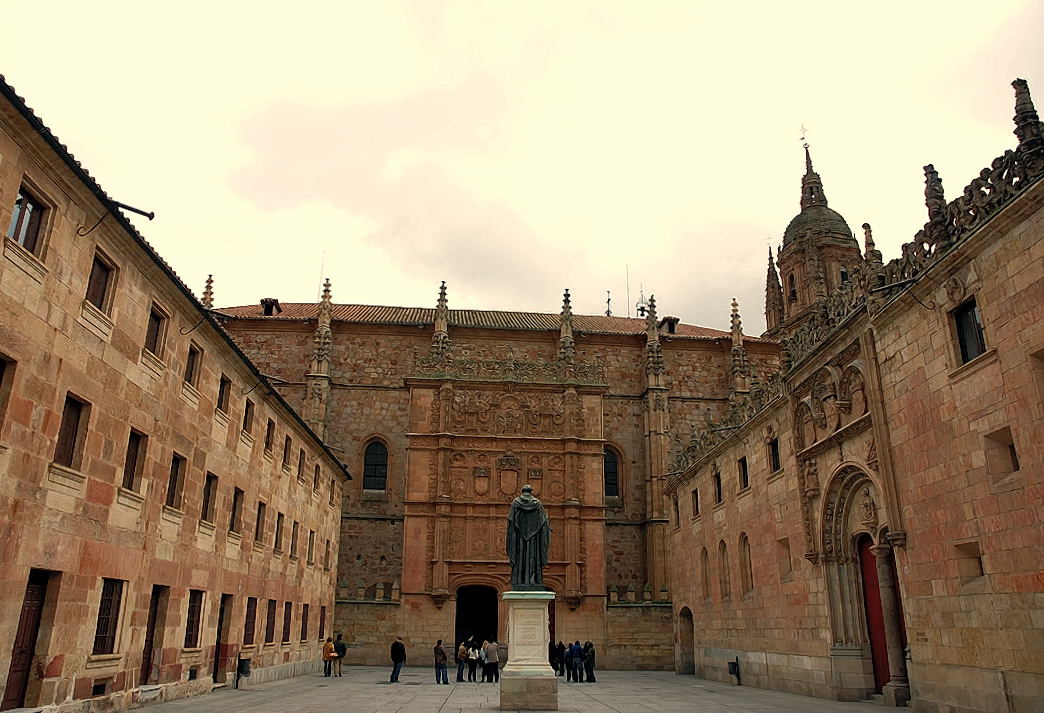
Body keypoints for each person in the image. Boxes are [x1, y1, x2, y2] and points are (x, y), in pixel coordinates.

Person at [506, 485, 551, 590]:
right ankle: (533, 578)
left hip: (520, 538)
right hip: (534, 539)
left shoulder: (516, 503)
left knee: (520, 557)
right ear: (531, 492)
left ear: (522, 491)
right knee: (533, 557)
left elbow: (511, 521)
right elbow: (544, 522)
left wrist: (513, 535)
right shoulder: (538, 504)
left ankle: (520, 580)